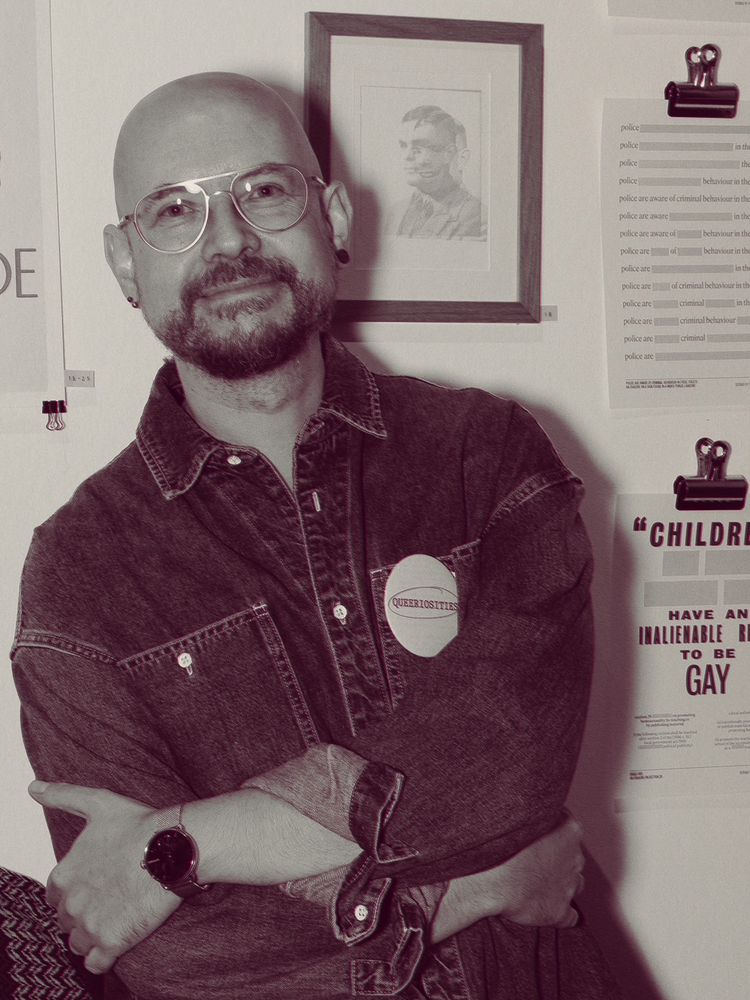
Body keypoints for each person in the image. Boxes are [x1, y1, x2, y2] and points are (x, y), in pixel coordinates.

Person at [11, 73, 620, 999]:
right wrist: (478, 886)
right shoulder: (80, 574)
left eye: (264, 190)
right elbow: (165, 954)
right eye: (173, 209)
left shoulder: (486, 457)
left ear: (332, 215)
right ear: (126, 263)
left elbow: (508, 759)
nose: (229, 239)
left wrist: (186, 844)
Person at [384, 104, 486, 240]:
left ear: (449, 154)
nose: (406, 156)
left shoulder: (479, 218)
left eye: (419, 146)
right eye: (403, 145)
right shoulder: (395, 212)